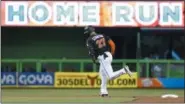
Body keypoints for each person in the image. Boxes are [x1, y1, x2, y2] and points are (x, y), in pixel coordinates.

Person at [84, 26, 132, 97]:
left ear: (88, 32)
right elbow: (112, 44)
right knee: (103, 74)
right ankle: (104, 92)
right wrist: (111, 54)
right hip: (108, 55)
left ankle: (124, 70)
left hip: (103, 57)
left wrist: (93, 59)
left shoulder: (89, 39)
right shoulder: (103, 35)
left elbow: (91, 51)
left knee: (111, 76)